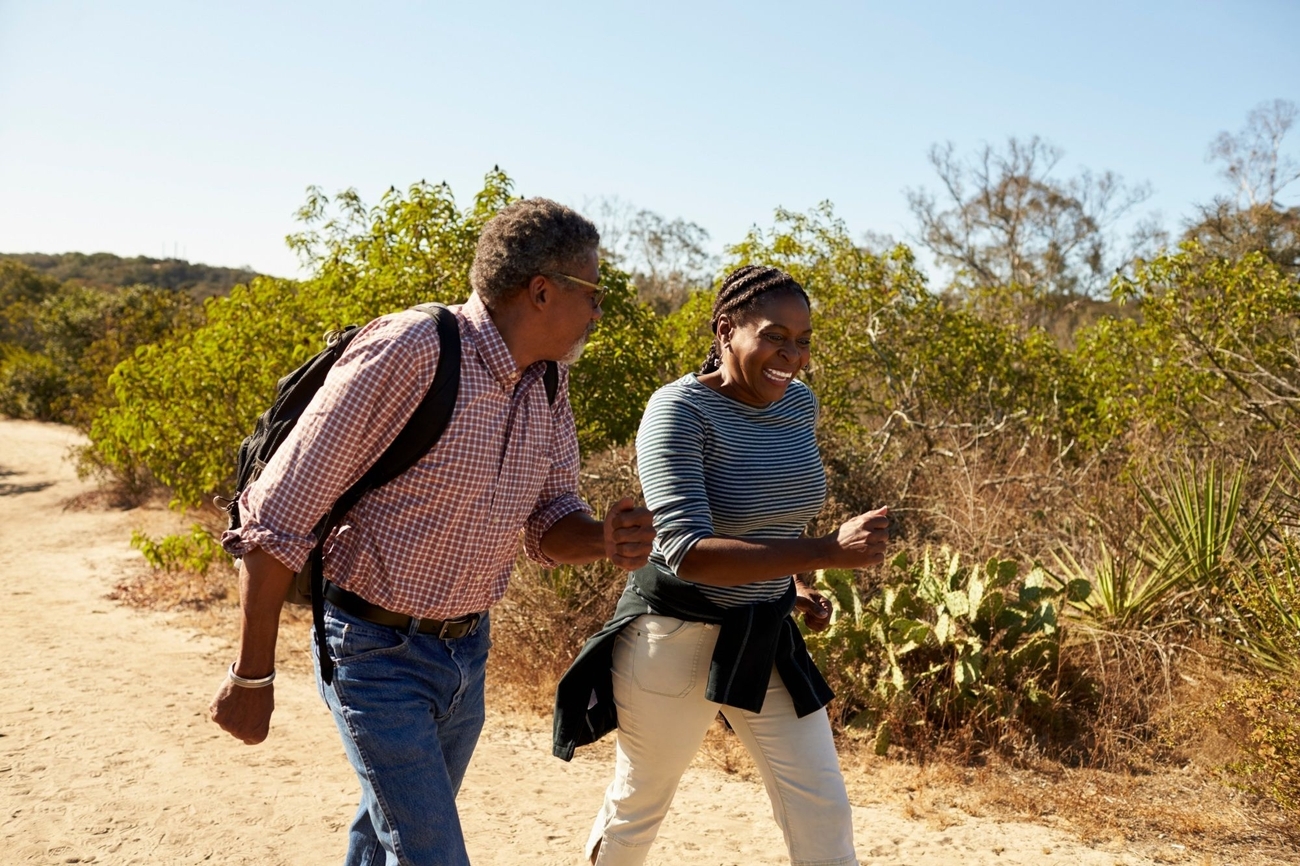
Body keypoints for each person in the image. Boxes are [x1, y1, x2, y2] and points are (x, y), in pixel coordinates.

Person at [209, 198, 656, 866]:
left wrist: (601, 538)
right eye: (593, 293)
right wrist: (251, 676)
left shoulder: (550, 382)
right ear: (540, 291)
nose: (598, 313)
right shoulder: (412, 350)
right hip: (372, 655)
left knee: (385, 836)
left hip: (465, 656)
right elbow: (277, 521)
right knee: (431, 854)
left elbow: (547, 523)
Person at [553, 265, 891, 866]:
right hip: (674, 636)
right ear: (727, 329)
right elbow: (688, 552)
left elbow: (774, 516)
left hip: (761, 634)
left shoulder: (797, 405)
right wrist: (825, 551)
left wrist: (795, 585)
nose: (793, 355)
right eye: (775, 336)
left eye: (804, 340)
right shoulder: (677, 411)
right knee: (637, 812)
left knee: (822, 806)